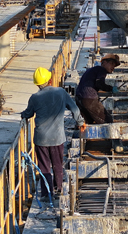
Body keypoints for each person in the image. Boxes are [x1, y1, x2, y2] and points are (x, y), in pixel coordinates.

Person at [21, 67, 86, 200]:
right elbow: (74, 108)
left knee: (44, 166)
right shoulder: (61, 92)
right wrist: (80, 122)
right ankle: (58, 189)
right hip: (57, 137)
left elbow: (28, 114)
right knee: (57, 164)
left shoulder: (35, 97)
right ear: (50, 80)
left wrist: (22, 114)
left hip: (41, 139)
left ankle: (46, 193)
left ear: (37, 84)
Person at [75, 54, 121, 124]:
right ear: (104, 63)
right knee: (107, 120)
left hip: (79, 98)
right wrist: (111, 88)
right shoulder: (101, 70)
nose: (113, 67)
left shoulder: (92, 70)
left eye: (114, 66)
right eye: (111, 64)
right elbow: (99, 83)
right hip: (89, 99)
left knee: (88, 122)